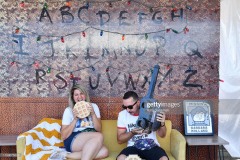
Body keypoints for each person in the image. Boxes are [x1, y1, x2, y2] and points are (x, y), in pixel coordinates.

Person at [50, 84, 108, 160]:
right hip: (73, 139)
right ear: (73, 97)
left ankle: (64, 155)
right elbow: (64, 136)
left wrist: (93, 114)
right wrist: (75, 119)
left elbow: (99, 129)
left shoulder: (94, 106)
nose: (79, 97)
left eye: (81, 93)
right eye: (76, 95)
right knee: (99, 136)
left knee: (104, 152)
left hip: (92, 138)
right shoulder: (69, 110)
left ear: (85, 95)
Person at [117, 91, 169, 160]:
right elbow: (119, 140)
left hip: (152, 146)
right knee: (121, 158)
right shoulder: (122, 115)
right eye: (124, 107)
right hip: (133, 147)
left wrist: (162, 123)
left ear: (138, 103)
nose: (127, 110)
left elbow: (162, 135)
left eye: (130, 107)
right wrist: (132, 132)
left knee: (164, 159)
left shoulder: (152, 111)